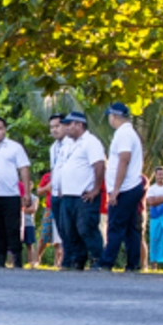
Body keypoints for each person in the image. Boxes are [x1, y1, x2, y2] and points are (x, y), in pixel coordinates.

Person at [99, 103, 146, 272]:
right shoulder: (128, 133)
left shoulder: (124, 134)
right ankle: (133, 263)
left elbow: (124, 160)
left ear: (114, 116)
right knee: (130, 228)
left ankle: (107, 261)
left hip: (125, 188)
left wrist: (116, 188)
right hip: (131, 187)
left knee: (116, 226)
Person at [56, 112, 106, 271]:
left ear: (79, 124)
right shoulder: (69, 144)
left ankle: (98, 258)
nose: (66, 128)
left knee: (86, 229)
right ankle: (78, 260)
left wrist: (96, 189)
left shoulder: (91, 142)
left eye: (69, 124)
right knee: (69, 230)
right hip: (68, 195)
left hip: (83, 195)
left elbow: (99, 165)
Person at [0, 116, 32, 268]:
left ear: (5, 130)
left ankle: (17, 261)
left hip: (11, 195)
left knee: (13, 229)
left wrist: (27, 193)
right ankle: (0, 261)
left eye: (0, 128)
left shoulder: (15, 147)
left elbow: (23, 169)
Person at [43, 114, 67, 266]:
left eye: (57, 126)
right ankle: (64, 260)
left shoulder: (72, 144)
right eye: (52, 127)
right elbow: (54, 171)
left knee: (71, 227)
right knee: (60, 228)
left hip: (71, 192)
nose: (54, 130)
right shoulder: (53, 148)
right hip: (56, 193)